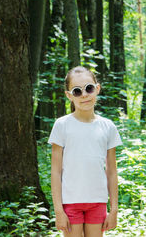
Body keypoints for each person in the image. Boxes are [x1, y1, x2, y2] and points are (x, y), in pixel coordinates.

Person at [49, 66, 122, 237]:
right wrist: (58, 210)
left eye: (88, 88)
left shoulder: (108, 127)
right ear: (69, 95)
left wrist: (114, 210)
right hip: (70, 203)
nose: (84, 95)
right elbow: (55, 171)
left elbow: (111, 171)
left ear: (97, 89)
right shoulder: (62, 125)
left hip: (98, 202)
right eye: (77, 91)